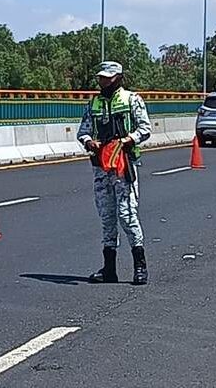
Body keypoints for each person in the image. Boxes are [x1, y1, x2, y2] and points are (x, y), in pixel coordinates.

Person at [77, 61, 152, 284]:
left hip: (123, 166)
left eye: (107, 78)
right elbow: (83, 131)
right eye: (101, 78)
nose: (103, 82)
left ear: (118, 78)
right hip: (101, 168)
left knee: (127, 215)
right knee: (107, 217)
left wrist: (129, 139)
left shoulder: (132, 100)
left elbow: (145, 128)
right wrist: (89, 141)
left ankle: (140, 266)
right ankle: (109, 269)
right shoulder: (93, 104)